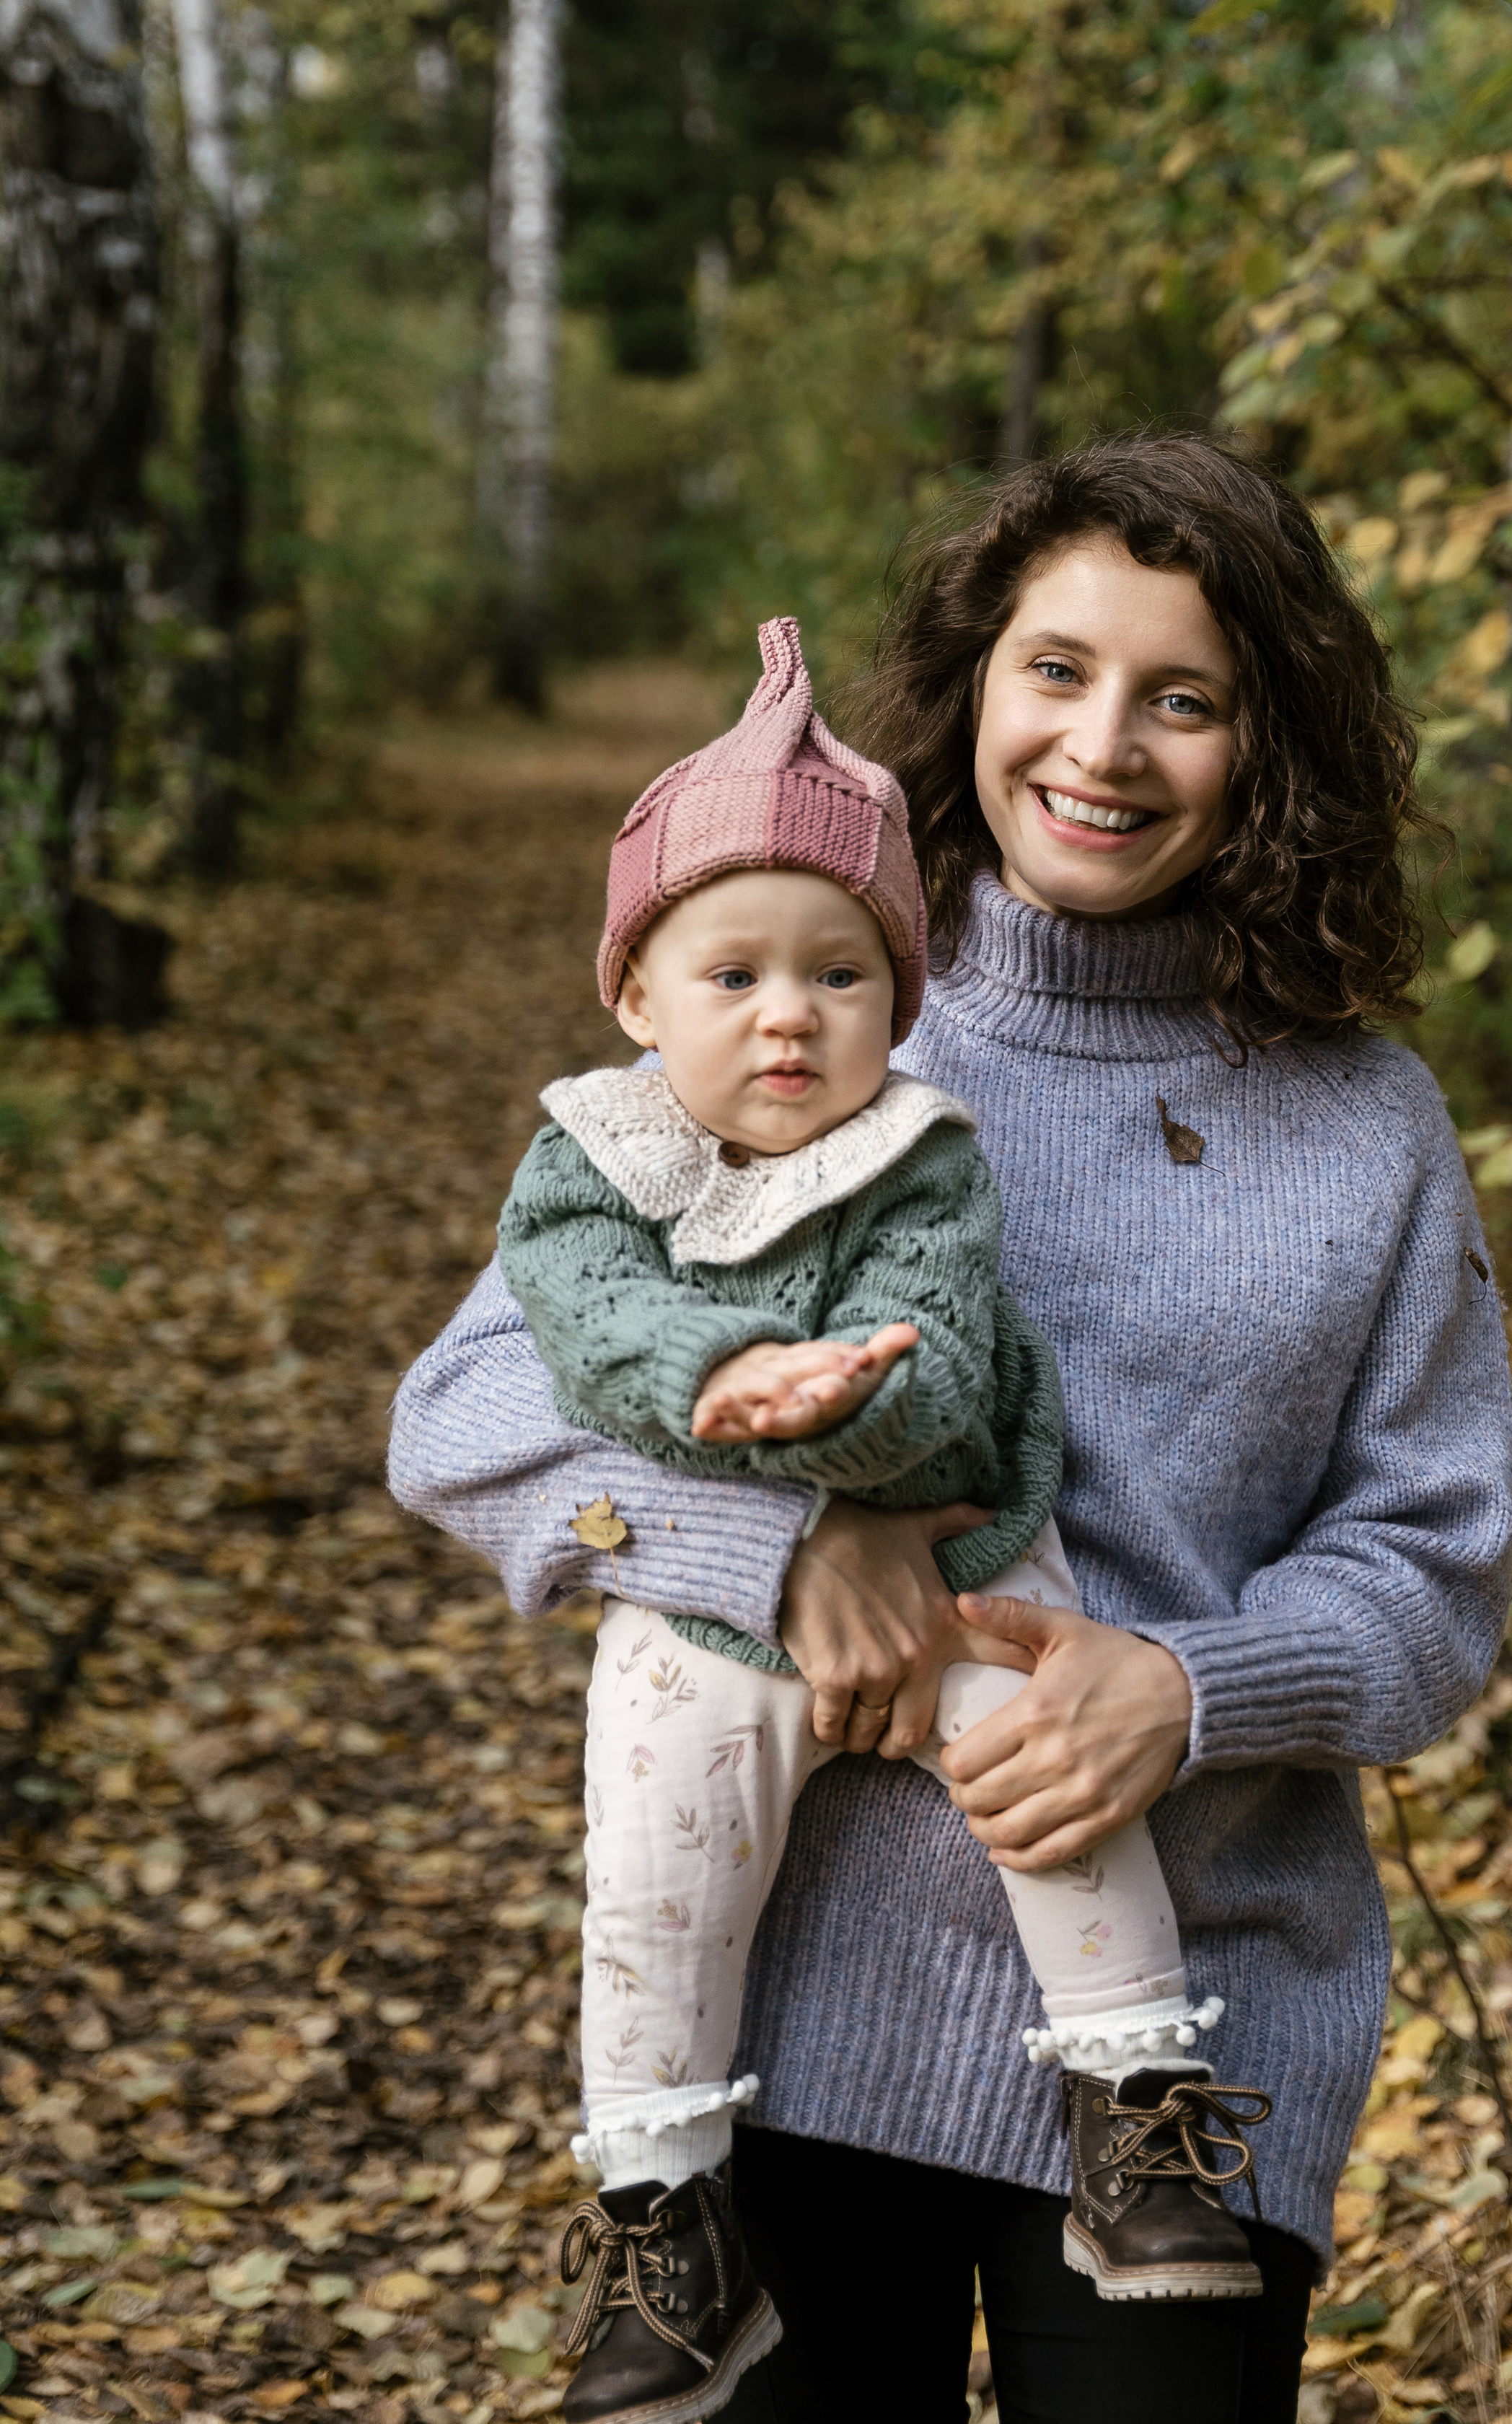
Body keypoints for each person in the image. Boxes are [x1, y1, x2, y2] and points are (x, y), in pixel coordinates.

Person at [390, 433, 1512, 2424]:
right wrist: (780, 1548)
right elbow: (469, 1410)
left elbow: (1433, 1577)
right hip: (792, 2017)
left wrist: (1184, 1686)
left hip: (1189, 2056)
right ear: (973, 691)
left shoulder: (1367, 1125)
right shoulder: (797, 1002)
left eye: (1187, 698)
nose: (1106, 745)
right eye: (1056, 672)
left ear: (1270, 750)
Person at [496, 618, 1258, 2424]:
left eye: (838, 977)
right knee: (655, 1864)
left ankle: (1137, 2109)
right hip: (709, 1634)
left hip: (985, 1583)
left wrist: (842, 1416)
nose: (788, 1016)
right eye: (734, 974)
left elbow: (939, 1351)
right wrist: (731, 1434)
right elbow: (544, 1345)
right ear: (634, 995)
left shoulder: (922, 1145)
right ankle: (661, 2213)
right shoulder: (600, 1150)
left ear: (895, 1000)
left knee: (1051, 1792)